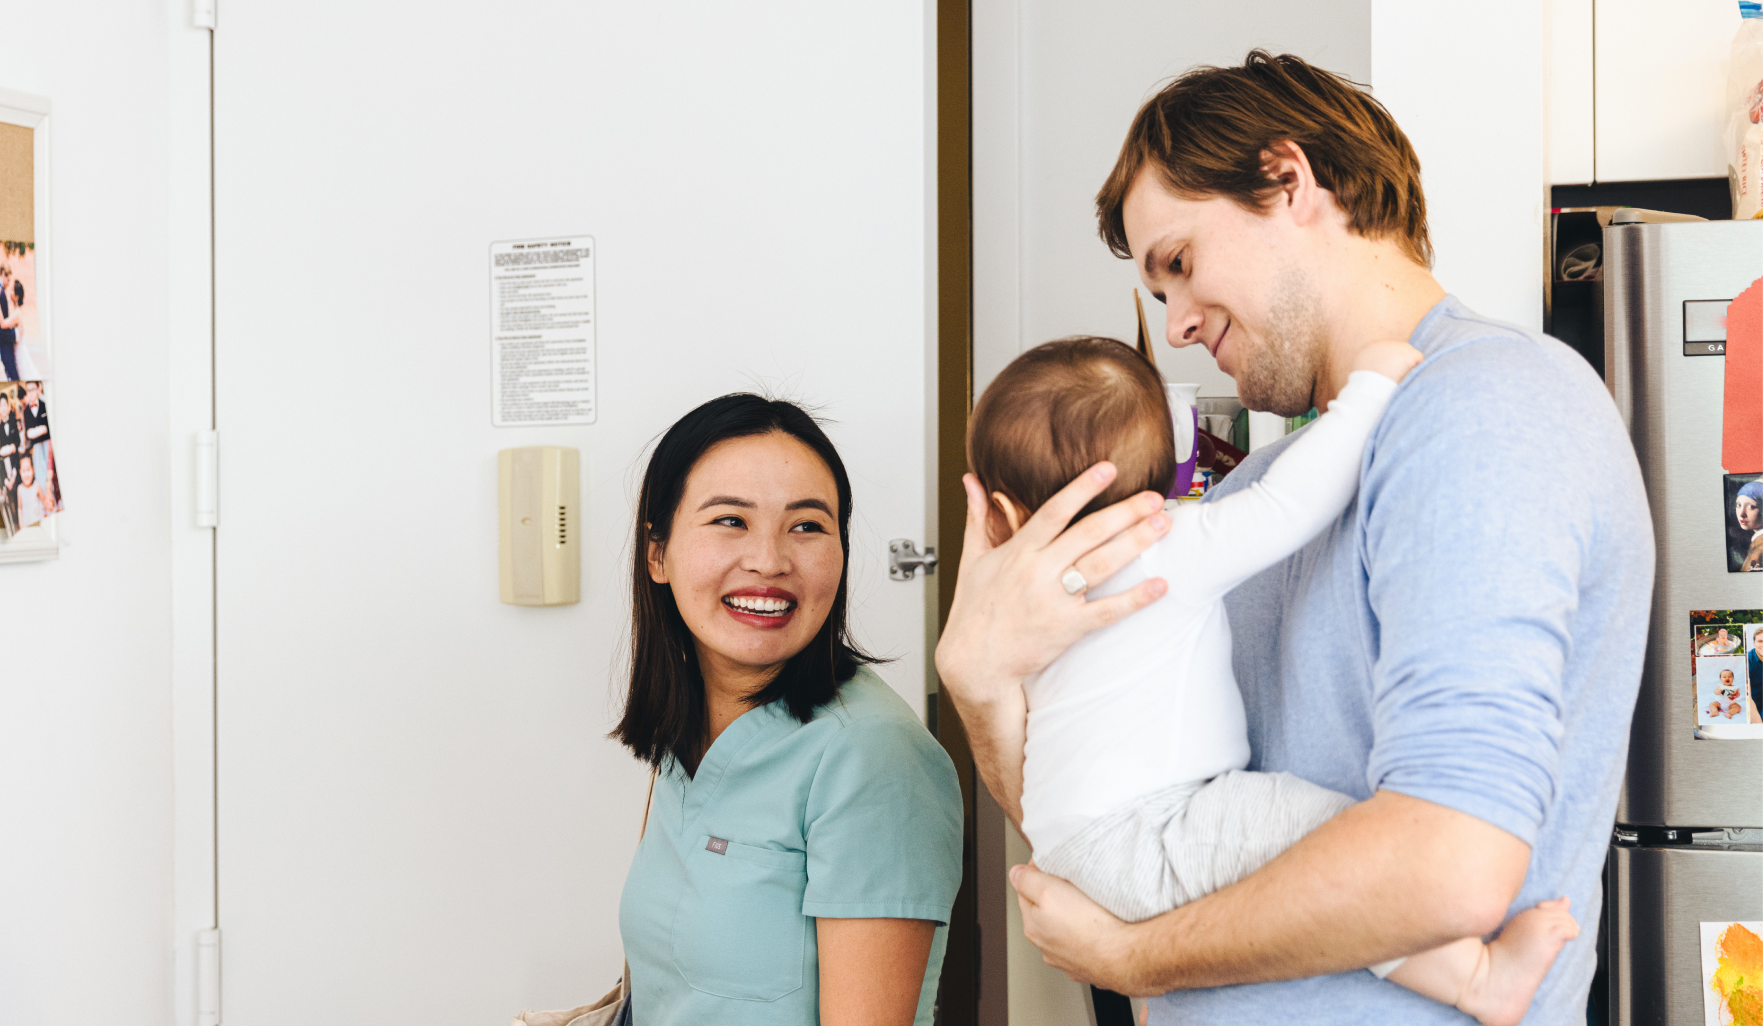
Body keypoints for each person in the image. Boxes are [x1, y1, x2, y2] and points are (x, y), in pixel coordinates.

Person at [934, 52, 1654, 1025]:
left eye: (1179, 264)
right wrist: (981, 684)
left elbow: (1451, 865)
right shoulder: (1266, 490)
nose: (1177, 326)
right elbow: (1123, 831)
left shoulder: (1486, 408)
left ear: (1288, 180)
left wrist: (1134, 956)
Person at [968, 335, 1577, 1025]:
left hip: (1076, 843)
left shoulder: (1027, 603)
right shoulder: (1164, 548)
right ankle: (1475, 979)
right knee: (1340, 848)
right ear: (1170, 472)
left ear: (1004, 514)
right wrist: (1368, 395)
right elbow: (1291, 505)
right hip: (1146, 829)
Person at [614, 393, 963, 1026]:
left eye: (807, 525)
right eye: (730, 521)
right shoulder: (684, 726)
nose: (770, 561)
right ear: (657, 553)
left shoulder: (873, 757)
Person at [0, 259, 20, 381]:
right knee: (12, 374)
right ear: (3, 274)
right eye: (8, 279)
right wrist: (14, 334)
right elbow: (1, 322)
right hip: (5, 342)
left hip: (3, 340)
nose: (8, 283)